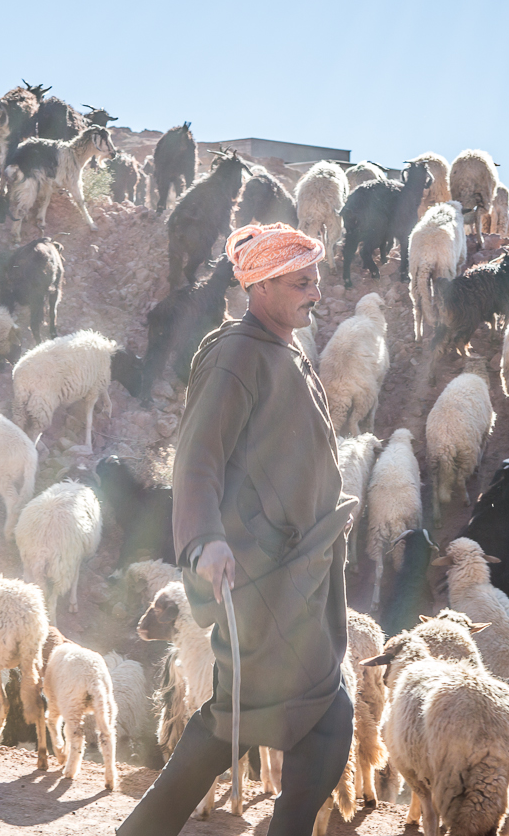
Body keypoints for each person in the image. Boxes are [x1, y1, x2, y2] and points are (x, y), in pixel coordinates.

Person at [116, 222, 354, 836]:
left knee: (239, 721)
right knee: (318, 720)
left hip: (296, 568)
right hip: (263, 573)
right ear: (263, 286)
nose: (315, 291)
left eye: (315, 278)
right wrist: (203, 539)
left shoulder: (281, 349)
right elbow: (198, 455)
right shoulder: (238, 354)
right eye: (301, 282)